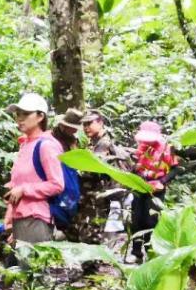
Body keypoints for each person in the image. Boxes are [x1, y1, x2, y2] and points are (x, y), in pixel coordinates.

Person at [3, 92, 65, 247]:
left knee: (33, 268)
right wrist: (10, 214)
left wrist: (24, 189)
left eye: (25, 113)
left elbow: (57, 184)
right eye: (18, 114)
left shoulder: (46, 145)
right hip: (21, 218)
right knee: (22, 268)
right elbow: (16, 186)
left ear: (40, 117)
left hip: (37, 218)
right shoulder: (25, 145)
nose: (19, 118)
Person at [128, 121, 179, 263]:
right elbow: (135, 167)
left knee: (150, 221)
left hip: (156, 189)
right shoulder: (141, 146)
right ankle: (136, 252)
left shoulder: (168, 148)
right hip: (139, 186)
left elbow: (176, 169)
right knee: (136, 220)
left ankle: (150, 252)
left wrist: (162, 182)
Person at [78, 109, 129, 246]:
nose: (86, 127)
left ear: (100, 122)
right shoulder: (94, 142)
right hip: (96, 196)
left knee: (97, 233)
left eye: (89, 123)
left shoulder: (104, 143)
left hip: (102, 196)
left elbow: (94, 168)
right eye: (84, 125)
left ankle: (97, 263)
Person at [52, 108, 84, 241]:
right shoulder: (53, 139)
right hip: (59, 178)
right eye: (72, 128)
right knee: (59, 208)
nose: (75, 131)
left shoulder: (73, 140)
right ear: (64, 125)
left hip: (72, 180)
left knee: (70, 207)